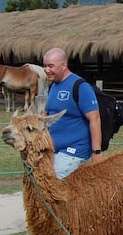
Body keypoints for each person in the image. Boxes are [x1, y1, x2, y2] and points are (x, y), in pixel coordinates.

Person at [42, 47, 103, 178]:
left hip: (75, 150)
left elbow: (95, 119)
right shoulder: (52, 86)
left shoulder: (80, 87)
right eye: (45, 66)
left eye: (51, 66)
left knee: (53, 179)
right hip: (54, 149)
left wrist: (96, 152)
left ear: (64, 65)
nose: (47, 70)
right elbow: (46, 114)